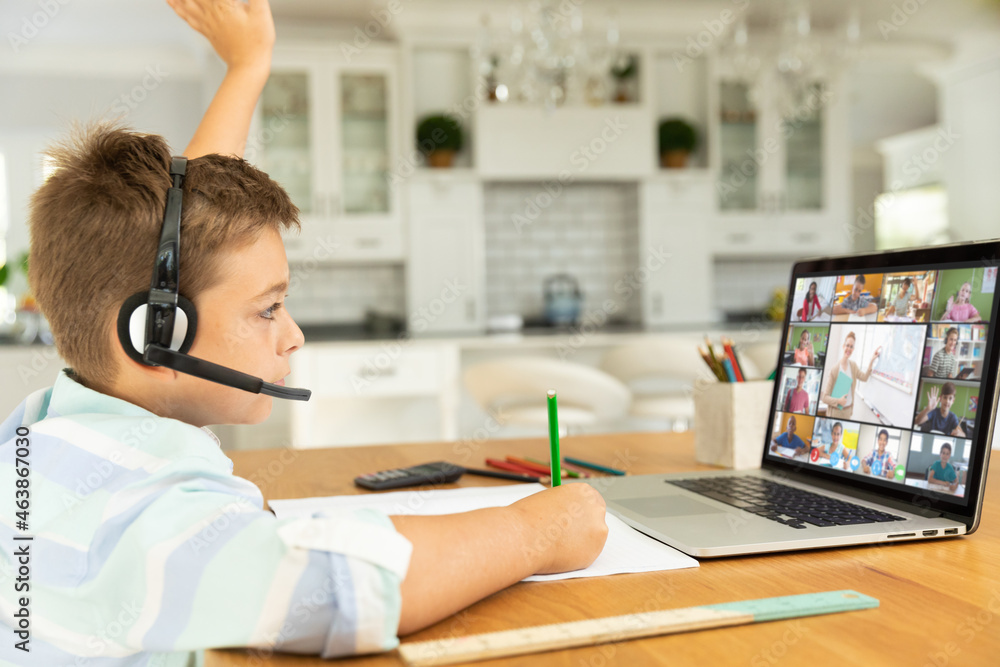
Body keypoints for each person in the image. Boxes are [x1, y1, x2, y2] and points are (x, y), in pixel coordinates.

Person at [0, 2, 608, 665]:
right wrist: (539, 528)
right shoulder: (137, 523)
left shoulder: (48, 434)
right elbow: (343, 590)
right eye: (269, 308)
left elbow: (191, 246)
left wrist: (247, 66)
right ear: (157, 333)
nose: (292, 336)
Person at [819, 331, 881, 420]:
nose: (849, 349)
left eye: (851, 347)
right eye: (847, 345)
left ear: (853, 349)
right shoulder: (835, 369)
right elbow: (824, 397)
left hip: (847, 412)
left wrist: (871, 360)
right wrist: (838, 401)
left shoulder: (853, 366)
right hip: (835, 413)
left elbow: (864, 377)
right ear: (843, 346)